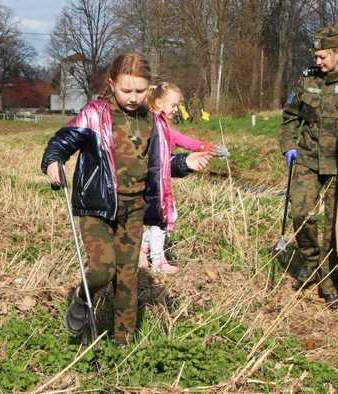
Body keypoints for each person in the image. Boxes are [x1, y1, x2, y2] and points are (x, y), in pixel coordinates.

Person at [41, 52, 210, 345]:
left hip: (133, 209)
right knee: (102, 269)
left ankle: (123, 342)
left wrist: (185, 163)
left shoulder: (152, 122)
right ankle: (83, 298)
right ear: (112, 83)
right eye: (126, 90)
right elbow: (61, 141)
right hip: (97, 208)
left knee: (127, 278)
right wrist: (53, 161)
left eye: (140, 91)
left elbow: (159, 165)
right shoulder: (95, 114)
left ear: (150, 88)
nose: (133, 97)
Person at [278, 25, 338, 307]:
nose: (318, 62)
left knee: (335, 226)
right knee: (300, 211)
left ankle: (330, 280)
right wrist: (288, 146)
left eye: (323, 57)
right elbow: (289, 118)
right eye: (316, 56)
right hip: (308, 159)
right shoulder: (306, 81)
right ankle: (309, 260)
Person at [140, 82, 218, 273]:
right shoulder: (150, 126)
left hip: (160, 183)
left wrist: (200, 146)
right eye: (173, 105)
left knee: (167, 216)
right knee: (163, 217)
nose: (176, 109)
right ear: (158, 103)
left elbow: (181, 139)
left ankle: (142, 250)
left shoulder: (164, 126)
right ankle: (158, 262)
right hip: (152, 184)